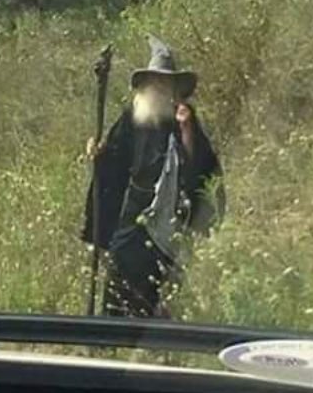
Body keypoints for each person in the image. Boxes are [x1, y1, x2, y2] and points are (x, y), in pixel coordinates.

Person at [81, 35, 225, 317]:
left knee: (158, 296)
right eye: (155, 83)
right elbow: (114, 159)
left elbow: (201, 170)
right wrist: (98, 152)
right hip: (133, 217)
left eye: (165, 83)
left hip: (168, 219)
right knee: (118, 285)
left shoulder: (185, 119)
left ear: (174, 89)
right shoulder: (134, 116)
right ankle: (111, 333)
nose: (159, 88)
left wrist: (186, 131)